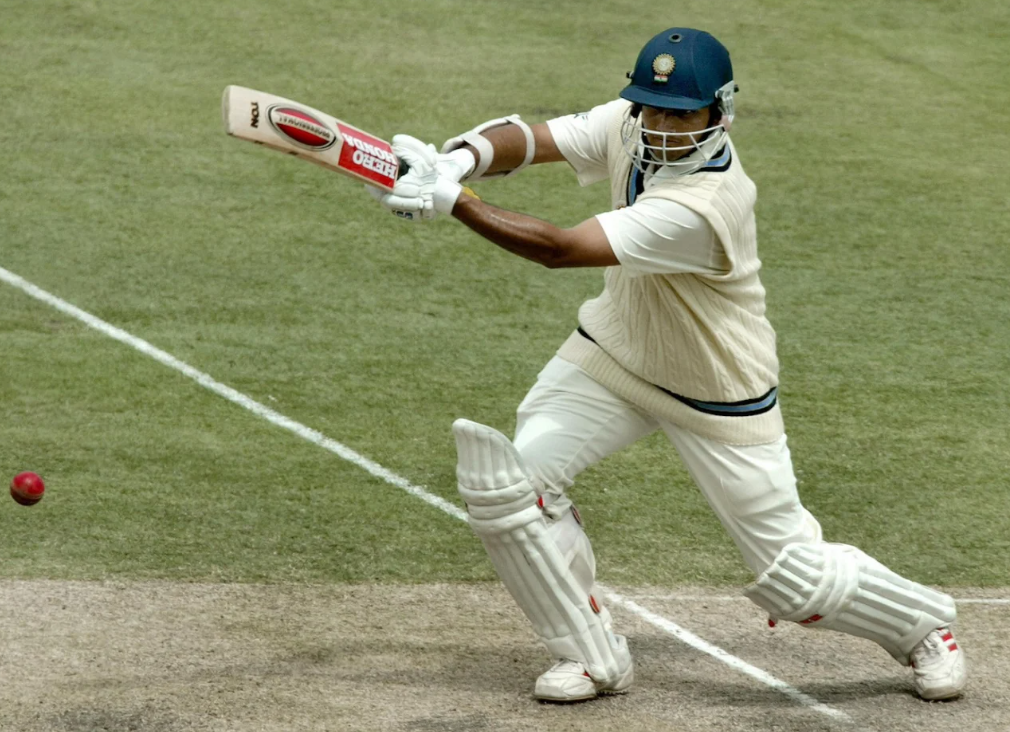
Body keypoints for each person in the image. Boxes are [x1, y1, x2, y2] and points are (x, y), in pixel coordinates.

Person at [369, 27, 967, 703]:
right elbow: (534, 139)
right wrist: (460, 158)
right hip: (616, 353)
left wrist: (455, 201)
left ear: (720, 112)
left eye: (681, 112)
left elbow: (561, 250)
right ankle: (590, 655)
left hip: (716, 387)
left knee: (793, 579)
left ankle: (924, 624)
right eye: (653, 109)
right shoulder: (630, 121)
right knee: (512, 487)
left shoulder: (707, 204)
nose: (660, 126)